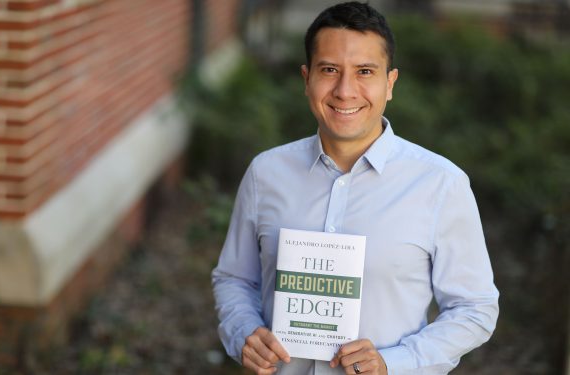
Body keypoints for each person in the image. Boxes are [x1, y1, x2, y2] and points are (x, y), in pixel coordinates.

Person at [212, 2, 499, 374]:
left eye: (365, 71)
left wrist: (392, 363)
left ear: (390, 83)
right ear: (306, 79)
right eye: (329, 70)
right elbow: (234, 278)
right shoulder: (266, 173)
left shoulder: (440, 184)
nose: (345, 90)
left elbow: (475, 308)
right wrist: (245, 332)